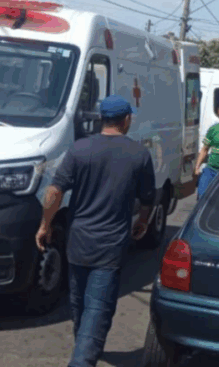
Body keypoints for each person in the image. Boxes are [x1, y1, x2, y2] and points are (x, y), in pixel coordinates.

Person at [35, 95, 155, 367]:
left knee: (79, 305)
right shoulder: (138, 154)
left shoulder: (80, 149)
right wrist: (143, 221)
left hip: (78, 242)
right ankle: (83, 359)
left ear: (103, 119)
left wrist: (45, 224)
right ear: (126, 120)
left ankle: (85, 350)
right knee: (98, 310)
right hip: (110, 246)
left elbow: (54, 191)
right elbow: (147, 198)